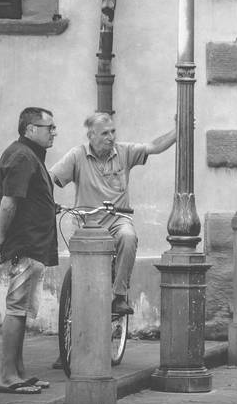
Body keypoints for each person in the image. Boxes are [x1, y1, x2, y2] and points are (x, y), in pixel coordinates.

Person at [50, 112, 176, 316]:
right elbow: (50, 178)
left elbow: (154, 147)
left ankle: (119, 296)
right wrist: (49, 203)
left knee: (128, 237)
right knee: (84, 271)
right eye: (105, 133)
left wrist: (178, 130)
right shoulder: (77, 155)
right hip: (87, 223)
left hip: (118, 219)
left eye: (113, 132)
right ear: (91, 136)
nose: (111, 137)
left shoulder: (123, 152)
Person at [0, 107, 59, 394]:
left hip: (34, 245)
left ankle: (18, 372)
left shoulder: (30, 156)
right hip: (25, 244)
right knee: (16, 310)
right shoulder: (22, 156)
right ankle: (7, 376)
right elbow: (9, 203)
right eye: (48, 127)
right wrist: (2, 238)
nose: (54, 131)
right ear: (30, 129)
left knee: (22, 310)